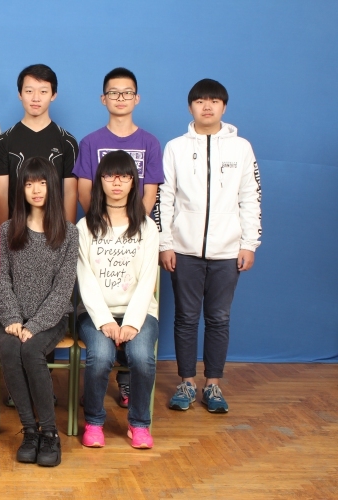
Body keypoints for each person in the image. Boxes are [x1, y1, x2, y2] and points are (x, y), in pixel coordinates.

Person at [160, 79, 262, 414]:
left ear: (224, 106)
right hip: (184, 249)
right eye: (200, 101)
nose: (207, 106)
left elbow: (251, 197)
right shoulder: (175, 147)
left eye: (214, 101)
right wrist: (165, 243)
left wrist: (249, 243)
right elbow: (165, 197)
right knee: (186, 318)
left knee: (219, 318)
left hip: (228, 251)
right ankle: (187, 383)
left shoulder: (241, 148)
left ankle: (213, 385)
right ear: (190, 106)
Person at [72, 67, 164, 409]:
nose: (120, 98)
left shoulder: (149, 142)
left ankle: (127, 387)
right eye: (114, 92)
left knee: (138, 348)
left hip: (134, 232)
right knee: (100, 348)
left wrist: (129, 224)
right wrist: (103, 221)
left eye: (127, 93)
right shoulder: (90, 142)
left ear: (136, 98)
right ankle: (96, 400)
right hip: (100, 231)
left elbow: (150, 193)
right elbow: (84, 190)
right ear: (103, 99)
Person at [0, 157, 78, 467]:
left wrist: (37, 324)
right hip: (15, 318)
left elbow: (63, 288)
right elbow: (2, 279)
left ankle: (50, 433)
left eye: (42, 183)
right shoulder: (7, 230)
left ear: (52, 186)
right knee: (8, 348)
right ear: (22, 189)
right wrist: (13, 319)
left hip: (51, 319)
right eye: (29, 184)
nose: (36, 189)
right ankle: (30, 431)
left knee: (31, 351)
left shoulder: (68, 233)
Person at [76, 150, 160, 449]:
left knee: (141, 357)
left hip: (140, 313)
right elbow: (85, 278)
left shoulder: (147, 228)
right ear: (100, 180)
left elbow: (148, 280)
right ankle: (94, 422)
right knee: (100, 357)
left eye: (124, 176)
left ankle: (139, 424)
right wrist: (104, 321)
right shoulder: (85, 227)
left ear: (133, 182)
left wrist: (133, 322)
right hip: (96, 314)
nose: (117, 183)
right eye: (110, 176)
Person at [0, 64, 79, 226]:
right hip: (16, 232)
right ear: (20, 94)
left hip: (54, 231)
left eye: (43, 91)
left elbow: (70, 193)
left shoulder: (67, 142)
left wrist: (68, 236)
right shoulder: (4, 142)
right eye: (29, 91)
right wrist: (4, 236)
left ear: (53, 95)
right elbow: (1, 194)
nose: (36, 98)